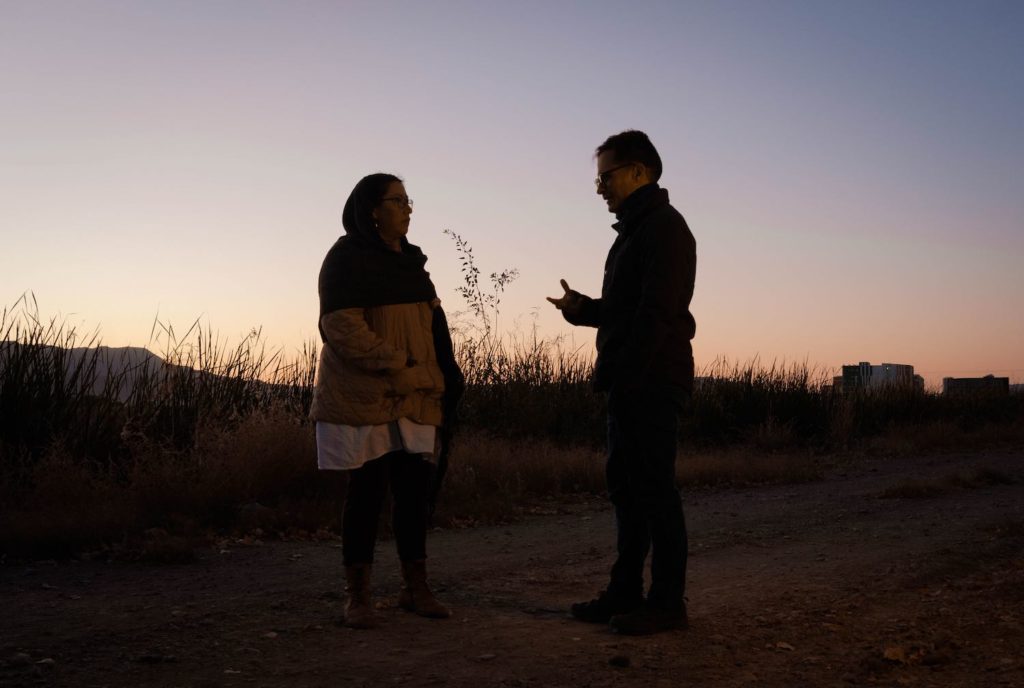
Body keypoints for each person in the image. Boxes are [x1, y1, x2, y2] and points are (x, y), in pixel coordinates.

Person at [547, 130, 697, 635]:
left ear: (639, 171)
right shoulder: (633, 232)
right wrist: (582, 310)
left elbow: (656, 314)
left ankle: (666, 603)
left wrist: (629, 378)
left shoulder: (665, 230)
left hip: (650, 382)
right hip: (630, 381)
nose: (599, 188)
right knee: (628, 492)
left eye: (605, 176)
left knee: (654, 492)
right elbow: (625, 312)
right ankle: (625, 592)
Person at [311, 173, 463, 630]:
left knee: (415, 492)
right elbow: (341, 327)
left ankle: (415, 587)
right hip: (372, 394)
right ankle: (357, 595)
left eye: (408, 200)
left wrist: (443, 375)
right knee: (368, 491)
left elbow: (430, 326)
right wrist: (399, 365)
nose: (408, 208)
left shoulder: (412, 264)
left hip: (417, 394)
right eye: (398, 200)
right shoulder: (346, 259)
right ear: (373, 209)